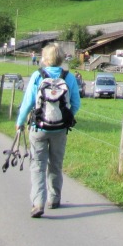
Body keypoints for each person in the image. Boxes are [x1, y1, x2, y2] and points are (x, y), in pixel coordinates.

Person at [16, 43, 81, 218]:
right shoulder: (69, 77)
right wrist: (65, 117)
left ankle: (38, 203)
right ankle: (54, 198)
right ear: (61, 58)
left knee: (37, 165)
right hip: (60, 129)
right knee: (55, 164)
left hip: (39, 127)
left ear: (44, 58)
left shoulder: (38, 75)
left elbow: (28, 102)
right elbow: (76, 103)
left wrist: (20, 122)